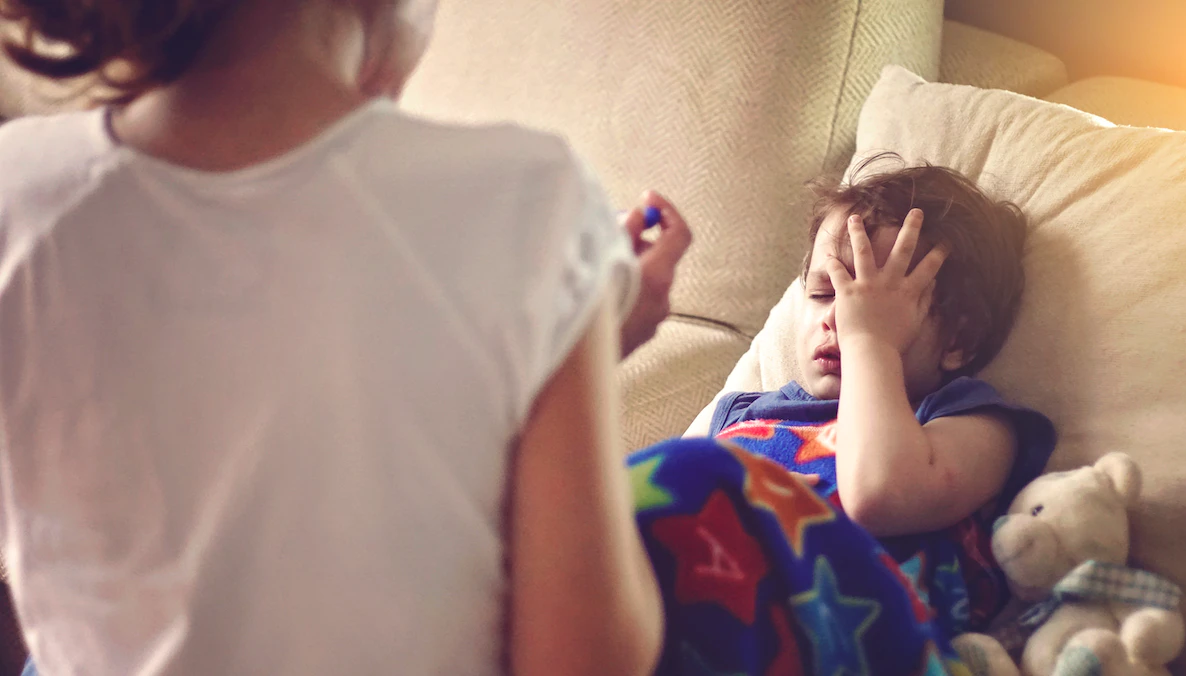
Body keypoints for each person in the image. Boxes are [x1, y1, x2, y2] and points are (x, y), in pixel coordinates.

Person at [0, 0, 692, 674]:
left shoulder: (17, 195)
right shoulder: (534, 200)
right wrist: (579, 335)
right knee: (715, 486)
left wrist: (566, 345)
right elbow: (586, 658)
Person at [686, 159, 1057, 637]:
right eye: (824, 292)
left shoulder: (972, 422)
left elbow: (881, 495)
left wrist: (870, 341)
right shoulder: (744, 413)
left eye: (876, 304)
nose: (839, 317)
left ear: (959, 341)